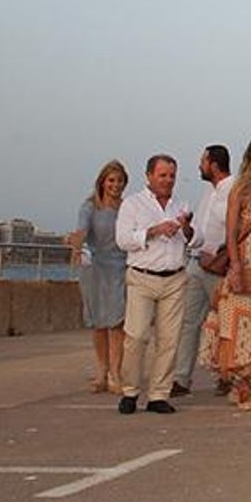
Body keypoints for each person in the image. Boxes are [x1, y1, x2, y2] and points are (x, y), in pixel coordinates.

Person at [199, 138, 251, 411]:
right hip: (244, 268)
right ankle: (241, 385)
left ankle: (244, 382)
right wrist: (235, 266)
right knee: (236, 329)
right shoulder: (241, 190)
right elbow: (232, 232)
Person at [113, 154, 193, 415]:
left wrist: (187, 229)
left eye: (172, 176)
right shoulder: (133, 204)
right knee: (136, 336)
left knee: (169, 340)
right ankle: (130, 391)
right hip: (142, 277)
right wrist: (154, 231)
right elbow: (123, 240)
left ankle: (159, 394)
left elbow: (197, 239)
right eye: (163, 175)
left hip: (174, 278)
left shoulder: (181, 205)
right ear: (149, 176)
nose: (168, 180)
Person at [174, 144, 232, 397]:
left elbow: (237, 230)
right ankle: (181, 378)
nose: (199, 166)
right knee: (188, 322)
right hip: (196, 264)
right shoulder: (208, 192)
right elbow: (198, 232)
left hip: (220, 268)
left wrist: (223, 257)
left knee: (225, 325)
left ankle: (227, 375)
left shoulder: (233, 190)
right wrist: (187, 229)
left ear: (213, 164)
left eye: (203, 161)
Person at [73, 160, 129, 395]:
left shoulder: (127, 207)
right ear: (102, 182)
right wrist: (77, 245)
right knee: (98, 323)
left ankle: (116, 372)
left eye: (120, 181)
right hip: (95, 269)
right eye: (111, 180)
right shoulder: (90, 207)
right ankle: (101, 370)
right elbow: (81, 231)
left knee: (116, 323)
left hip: (120, 268)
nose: (115, 185)